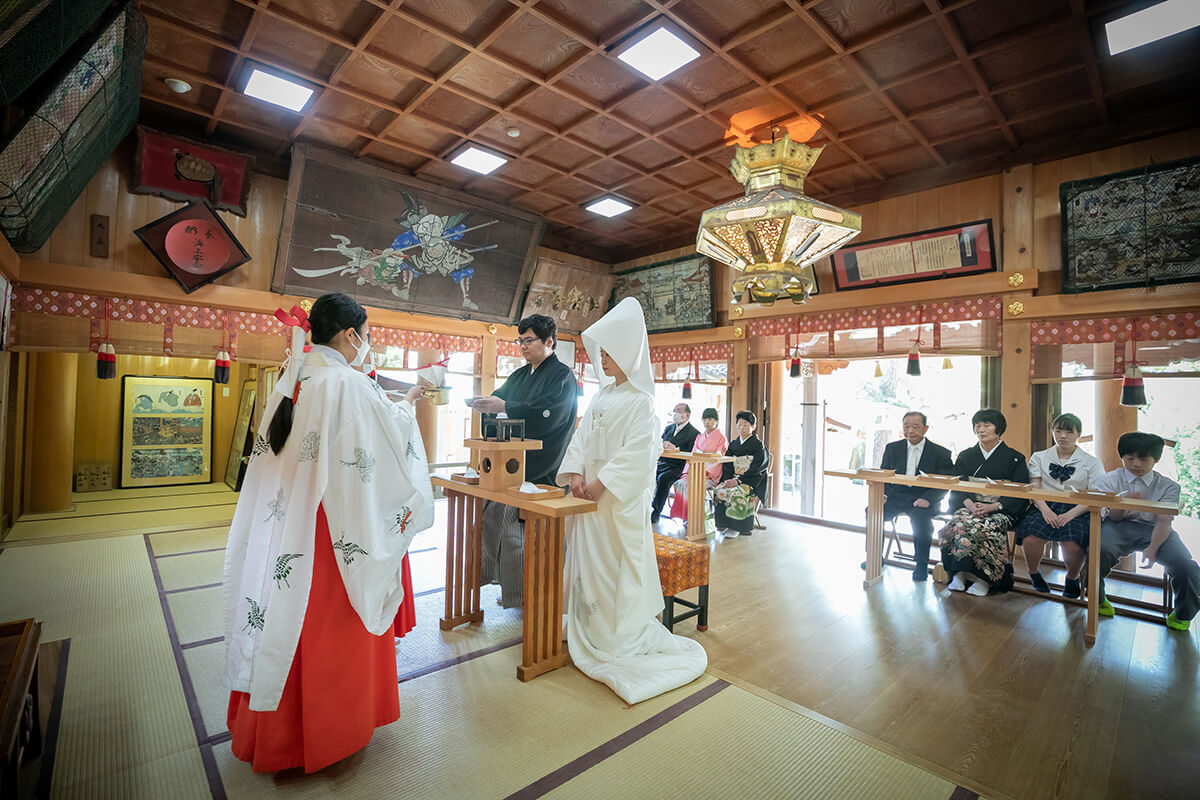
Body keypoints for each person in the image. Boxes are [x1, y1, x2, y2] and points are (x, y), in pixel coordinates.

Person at [223, 293, 434, 773]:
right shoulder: (347, 384)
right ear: (350, 334)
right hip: (333, 530)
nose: (369, 344)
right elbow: (384, 447)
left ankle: (276, 735)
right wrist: (410, 401)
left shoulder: (295, 375)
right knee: (330, 628)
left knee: (285, 618)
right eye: (368, 334)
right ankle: (327, 733)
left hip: (288, 521)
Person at [556, 297, 707, 704]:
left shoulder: (641, 402)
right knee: (589, 566)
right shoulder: (601, 397)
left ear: (627, 353)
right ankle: (590, 627)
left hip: (615, 503)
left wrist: (601, 483)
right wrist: (574, 475)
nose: (602, 359)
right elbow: (580, 439)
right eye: (601, 351)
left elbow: (639, 453)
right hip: (589, 497)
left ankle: (616, 634)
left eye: (609, 352)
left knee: (616, 566)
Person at [470, 314, 577, 608]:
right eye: (520, 340)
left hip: (544, 463)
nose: (522, 346)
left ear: (549, 341)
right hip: (513, 463)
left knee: (511, 521)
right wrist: (488, 406)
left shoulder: (563, 377)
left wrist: (506, 406)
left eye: (528, 340)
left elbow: (551, 416)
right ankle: (509, 586)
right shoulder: (520, 375)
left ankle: (531, 591)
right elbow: (500, 400)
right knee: (489, 511)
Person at [1093, 432, 1198, 631]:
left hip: (1155, 528)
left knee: (1185, 564)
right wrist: (1125, 502)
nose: (1136, 464)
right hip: (1118, 525)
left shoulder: (1168, 486)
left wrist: (1153, 548)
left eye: (1143, 458)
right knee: (1098, 549)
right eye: (1129, 458)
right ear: (1121, 456)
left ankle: (1184, 612)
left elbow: (1164, 522)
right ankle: (1097, 598)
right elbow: (1114, 517)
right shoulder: (1108, 480)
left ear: (1156, 459)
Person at [939, 409, 1029, 596]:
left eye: (987, 425)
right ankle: (959, 574)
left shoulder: (1015, 457)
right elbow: (957, 483)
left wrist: (993, 506)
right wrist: (970, 504)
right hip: (969, 506)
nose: (981, 429)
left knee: (980, 528)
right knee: (956, 524)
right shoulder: (966, 455)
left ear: (999, 429)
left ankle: (984, 579)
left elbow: (1019, 490)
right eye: (977, 425)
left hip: (1000, 509)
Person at [1014, 413, 1104, 597]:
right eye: (1058, 430)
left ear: (1079, 433)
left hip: (1079, 508)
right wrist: (1045, 510)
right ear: (1052, 431)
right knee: (1031, 537)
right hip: (1044, 504)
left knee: (1072, 543)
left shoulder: (1092, 462)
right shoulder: (1039, 457)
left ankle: (1072, 578)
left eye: (1069, 432)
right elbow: (1034, 488)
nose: (1063, 436)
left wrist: (1070, 515)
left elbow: (1095, 496)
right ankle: (1034, 574)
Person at [874, 411, 955, 581]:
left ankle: (921, 565)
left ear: (925, 429)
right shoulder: (892, 448)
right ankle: (875, 558)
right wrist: (884, 494)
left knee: (921, 520)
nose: (910, 430)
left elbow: (945, 483)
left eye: (915, 427)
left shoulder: (941, 453)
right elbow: (885, 475)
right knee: (873, 512)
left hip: (924, 498)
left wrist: (928, 499)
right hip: (897, 496)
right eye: (906, 426)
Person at [714, 410, 768, 538]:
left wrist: (739, 480)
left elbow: (758, 467)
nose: (741, 427)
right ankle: (725, 524)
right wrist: (728, 479)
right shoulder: (734, 444)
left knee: (737, 492)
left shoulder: (758, 446)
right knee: (720, 489)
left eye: (745, 424)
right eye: (739, 424)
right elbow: (727, 464)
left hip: (751, 480)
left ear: (753, 427)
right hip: (734, 478)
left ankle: (738, 527)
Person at [668, 407, 728, 521]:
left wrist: (703, 471)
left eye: (710, 419)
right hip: (696, 472)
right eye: (705, 419)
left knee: (693, 485)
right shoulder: (699, 437)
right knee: (680, 483)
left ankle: (698, 518)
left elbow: (718, 459)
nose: (707, 422)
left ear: (716, 421)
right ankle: (687, 516)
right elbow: (693, 456)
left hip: (709, 475)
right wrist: (690, 472)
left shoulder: (721, 439)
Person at [650, 402, 700, 525]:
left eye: (678, 411)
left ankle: (656, 512)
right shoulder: (669, 428)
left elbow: (691, 453)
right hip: (662, 463)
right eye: (674, 410)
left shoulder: (694, 433)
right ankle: (644, 508)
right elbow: (659, 442)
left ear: (687, 415)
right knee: (646, 472)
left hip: (678, 468)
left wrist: (676, 448)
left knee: (663, 479)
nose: (675, 413)